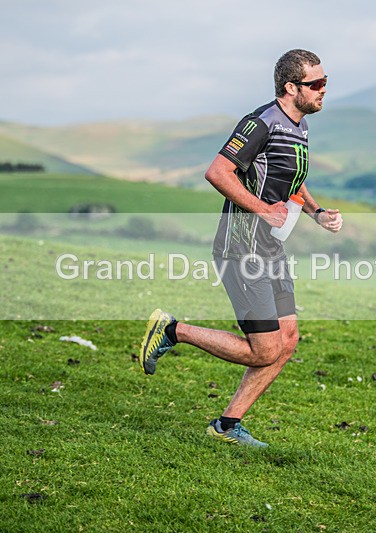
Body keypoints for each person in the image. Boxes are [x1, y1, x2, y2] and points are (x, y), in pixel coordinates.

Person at [139, 49, 343, 448]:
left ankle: (227, 426)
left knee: (288, 340)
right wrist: (262, 209)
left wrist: (317, 212)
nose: (323, 91)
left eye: (325, 83)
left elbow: (290, 180)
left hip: (270, 249)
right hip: (241, 248)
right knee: (264, 350)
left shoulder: (298, 127)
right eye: (316, 84)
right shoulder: (261, 123)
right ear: (291, 87)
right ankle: (172, 330)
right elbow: (217, 171)